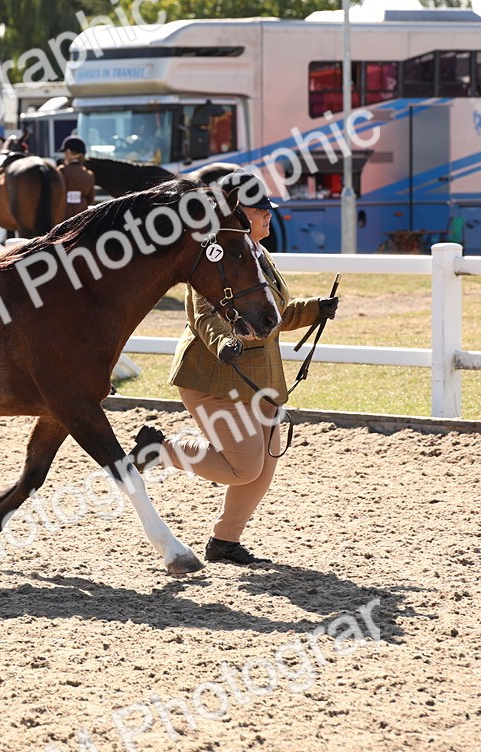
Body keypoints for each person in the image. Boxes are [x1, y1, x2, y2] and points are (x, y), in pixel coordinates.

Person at [131, 169, 339, 566]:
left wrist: (315, 310)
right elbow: (205, 316)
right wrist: (224, 341)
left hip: (259, 377)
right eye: (259, 210)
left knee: (265, 462)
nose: (267, 216)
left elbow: (269, 315)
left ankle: (225, 542)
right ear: (236, 211)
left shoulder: (257, 255)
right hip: (213, 375)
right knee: (243, 468)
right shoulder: (213, 255)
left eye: (269, 209)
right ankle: (160, 449)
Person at [57, 135, 96, 219]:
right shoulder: (89, 174)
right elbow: (90, 200)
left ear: (69, 151)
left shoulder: (61, 171)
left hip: (63, 215)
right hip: (82, 216)